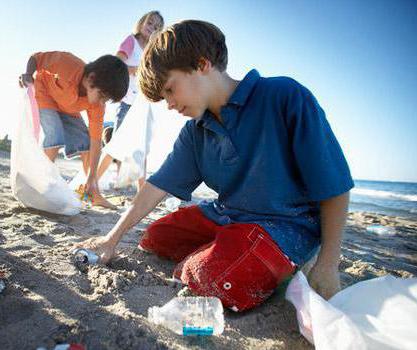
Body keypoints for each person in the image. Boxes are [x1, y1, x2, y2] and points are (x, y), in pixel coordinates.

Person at [75, 20, 354, 311]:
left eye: (170, 89)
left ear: (202, 63)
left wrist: (328, 264)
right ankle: (232, 250)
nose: (169, 104)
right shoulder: (196, 130)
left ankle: (259, 259)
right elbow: (157, 185)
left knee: (208, 278)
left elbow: (334, 185)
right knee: (156, 237)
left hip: (288, 225)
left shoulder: (284, 96)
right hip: (229, 216)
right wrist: (111, 239)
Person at [19, 52, 129, 208]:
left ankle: (93, 192)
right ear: (91, 78)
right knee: (55, 136)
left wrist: (92, 176)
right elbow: (36, 58)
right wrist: (28, 74)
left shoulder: (97, 104)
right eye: (102, 95)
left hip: (68, 108)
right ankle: (40, 184)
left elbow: (96, 140)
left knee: (86, 143)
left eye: (106, 99)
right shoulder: (66, 64)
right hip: (45, 94)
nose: (102, 102)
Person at [96, 11, 164, 190]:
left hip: (143, 104)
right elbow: (116, 64)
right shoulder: (131, 41)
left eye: (157, 27)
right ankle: (93, 183)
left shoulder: (152, 51)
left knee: (142, 147)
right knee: (116, 143)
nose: (152, 28)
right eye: (150, 23)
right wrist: (138, 69)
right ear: (141, 23)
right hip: (127, 101)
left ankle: (142, 190)